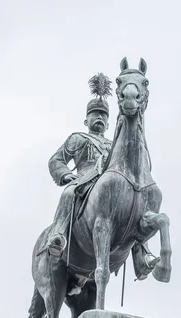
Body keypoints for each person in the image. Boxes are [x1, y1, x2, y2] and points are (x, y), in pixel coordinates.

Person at [46, 73, 113, 261]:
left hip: (111, 186)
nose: (99, 117)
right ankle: (58, 235)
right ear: (86, 121)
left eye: (103, 115)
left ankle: (141, 254)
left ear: (108, 124)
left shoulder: (114, 144)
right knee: (69, 193)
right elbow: (56, 160)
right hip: (84, 181)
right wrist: (66, 175)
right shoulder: (78, 138)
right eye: (95, 114)